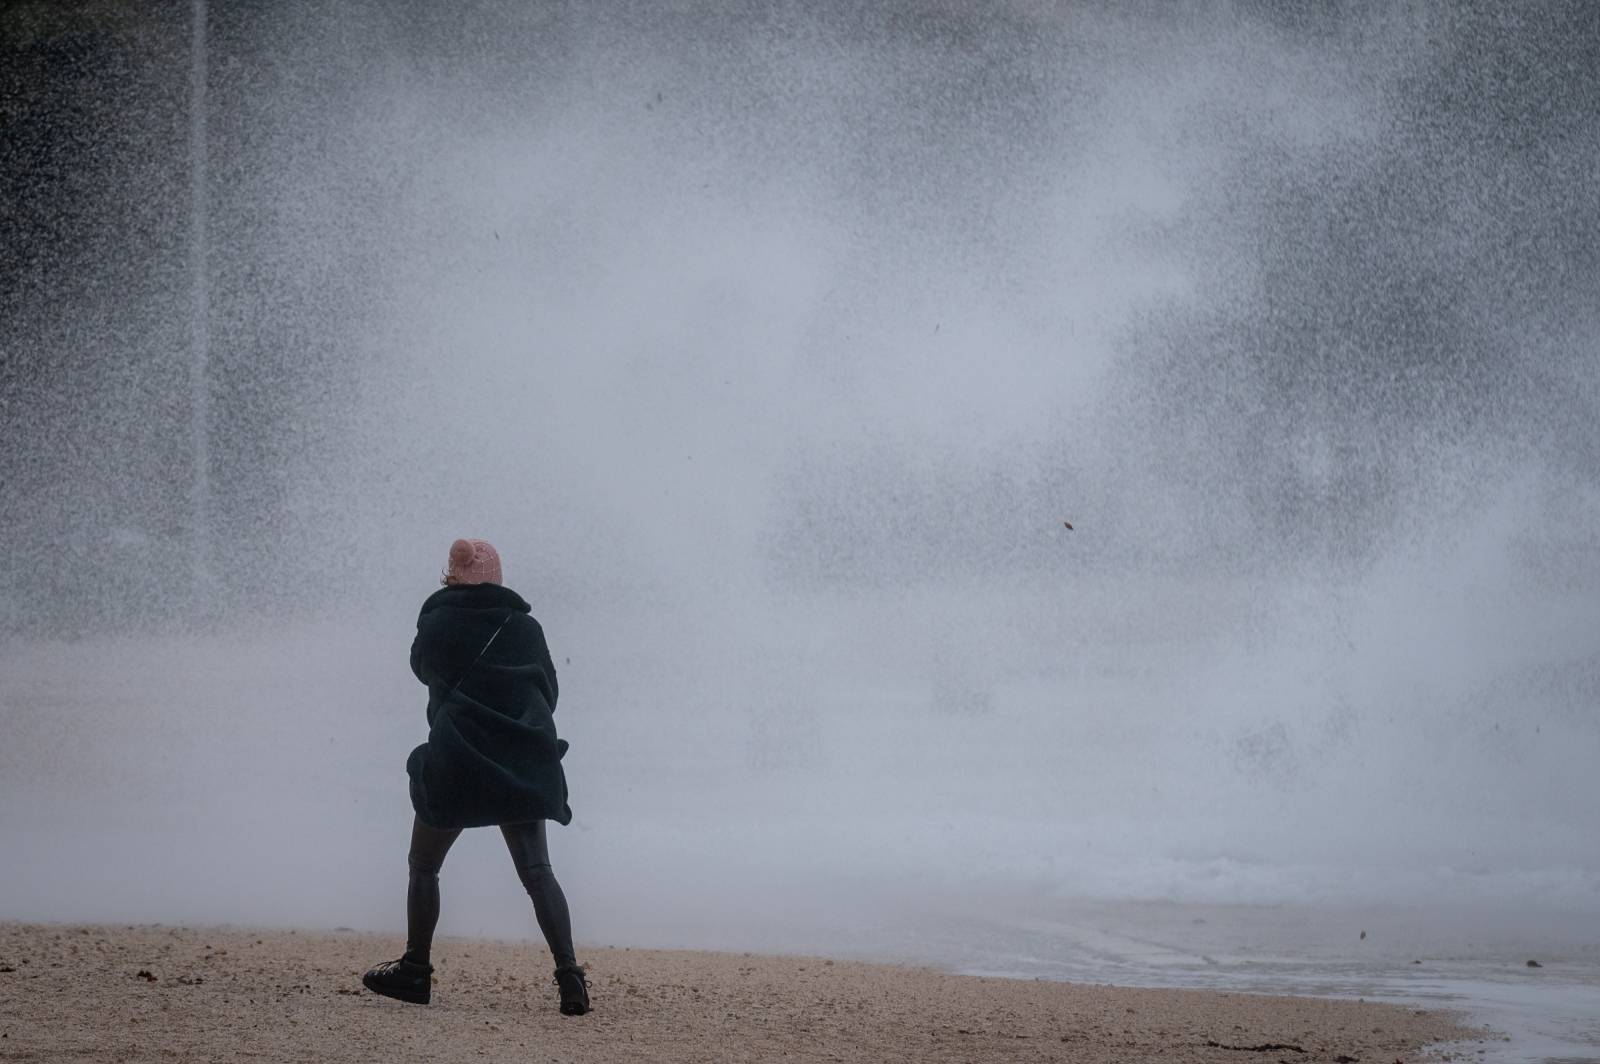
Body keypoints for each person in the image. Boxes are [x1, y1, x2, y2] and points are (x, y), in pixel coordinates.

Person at [362, 538, 589, 1015]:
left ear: (451, 576)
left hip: (459, 762)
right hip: (521, 764)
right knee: (537, 873)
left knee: (424, 866)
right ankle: (571, 980)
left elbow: (421, 668)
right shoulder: (526, 626)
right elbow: (548, 691)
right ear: (499, 579)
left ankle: (415, 972)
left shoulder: (439, 621)